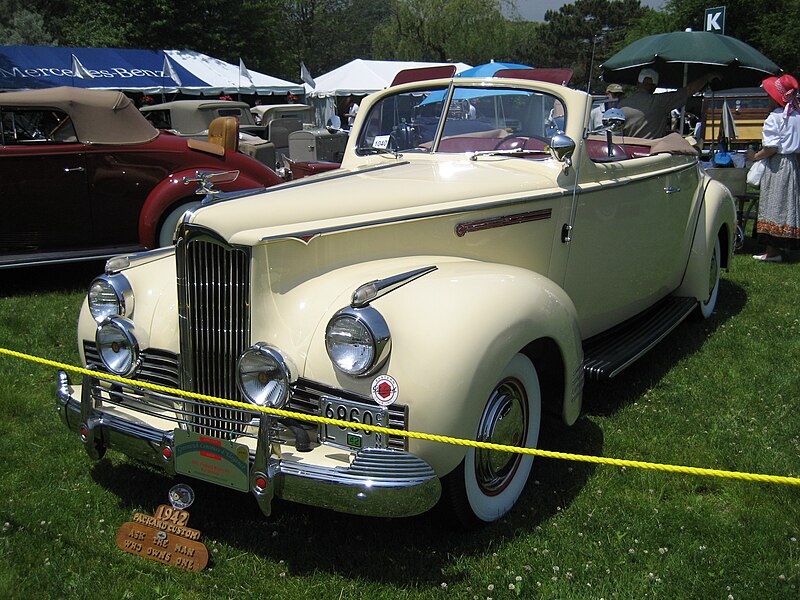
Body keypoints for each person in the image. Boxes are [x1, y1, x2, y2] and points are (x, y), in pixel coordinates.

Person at [746, 74, 800, 262]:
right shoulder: (797, 115)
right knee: (788, 203)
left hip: (778, 164)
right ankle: (786, 246)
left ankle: (773, 250)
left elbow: (771, 148)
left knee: (774, 203)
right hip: (793, 163)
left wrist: (754, 157)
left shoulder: (774, 118)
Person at [618, 67, 720, 138]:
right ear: (654, 86)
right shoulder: (659, 102)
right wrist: (707, 77)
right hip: (651, 152)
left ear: (637, 83)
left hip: (628, 152)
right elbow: (688, 91)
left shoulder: (622, 104)